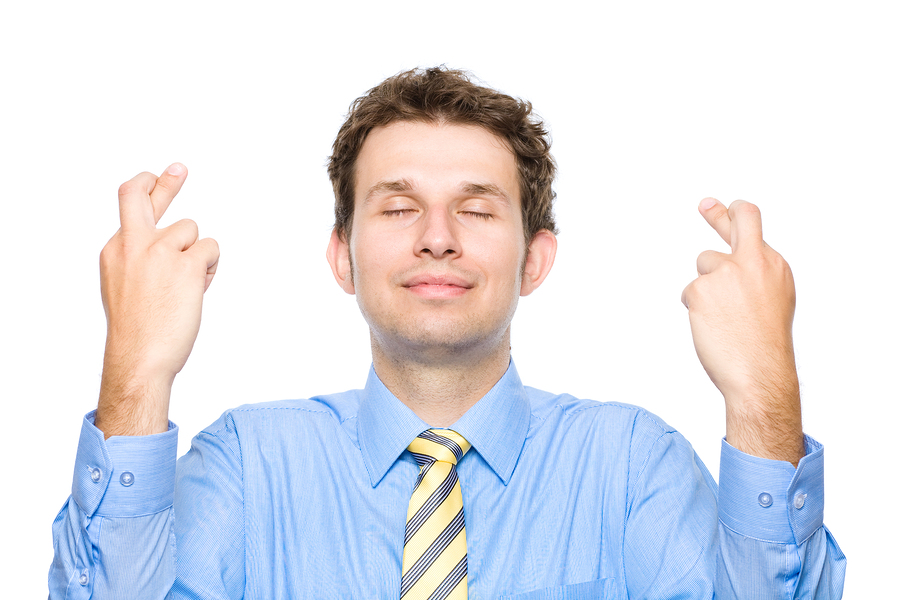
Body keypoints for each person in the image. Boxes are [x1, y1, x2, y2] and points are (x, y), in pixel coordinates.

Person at [49, 67, 845, 599]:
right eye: (397, 208)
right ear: (342, 258)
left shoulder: (631, 466)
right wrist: (137, 374)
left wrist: (762, 390)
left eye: (476, 208)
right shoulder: (251, 467)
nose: (437, 236)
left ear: (535, 260)